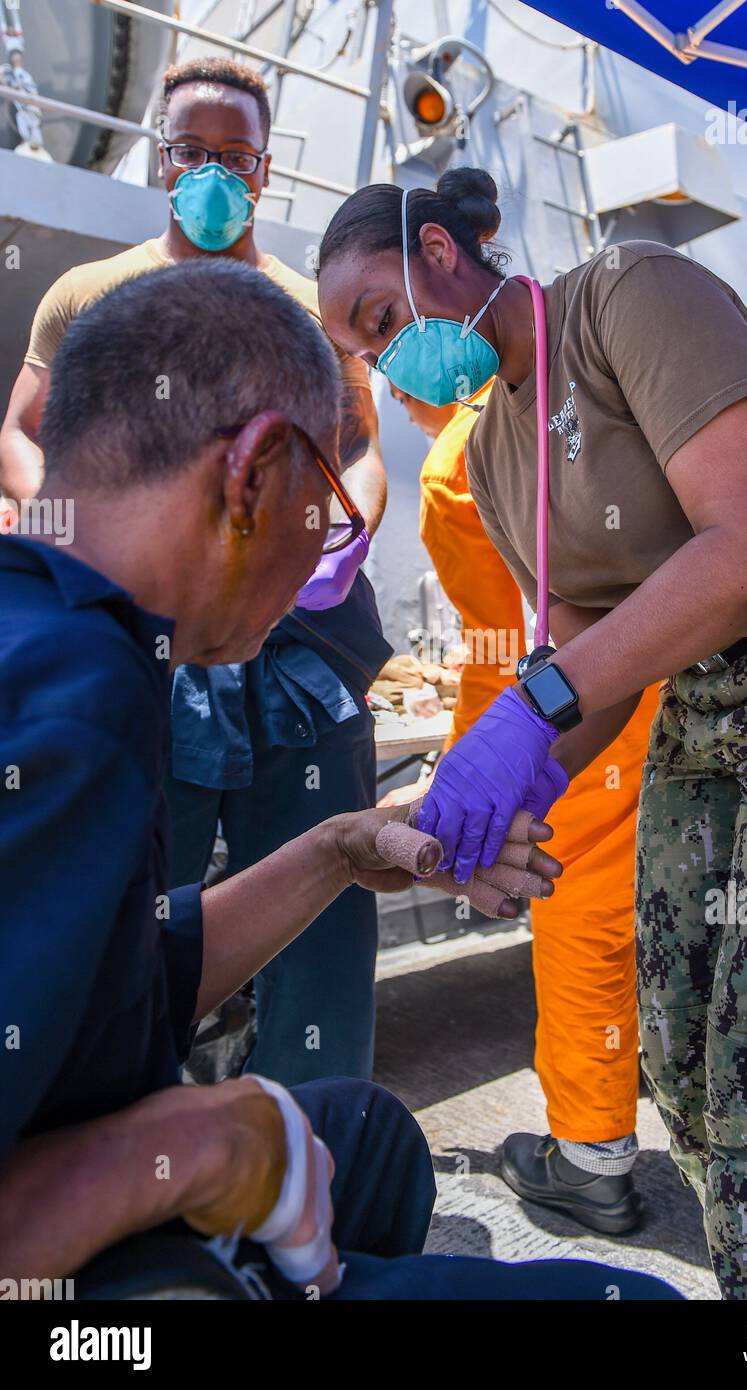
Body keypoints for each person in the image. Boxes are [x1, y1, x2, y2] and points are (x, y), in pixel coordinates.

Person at [0, 260, 683, 1303]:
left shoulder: (67, 634)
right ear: (255, 473)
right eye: (325, 505)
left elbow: (114, 978)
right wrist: (208, 1145)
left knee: (369, 1134)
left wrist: (341, 848)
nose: (329, 547)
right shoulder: (76, 701)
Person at [316, 166, 747, 1301]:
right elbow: (590, 655)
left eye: (382, 320)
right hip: (710, 693)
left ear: (442, 251)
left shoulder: (627, 296)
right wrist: (489, 798)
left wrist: (527, 711)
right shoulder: (496, 445)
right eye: (361, 348)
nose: (382, 358)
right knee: (685, 1031)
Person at [0, 56, 391, 1088]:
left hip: (296, 648)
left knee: (321, 919)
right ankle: (130, 1129)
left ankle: (326, 1141)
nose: (211, 173)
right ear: (157, 156)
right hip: (153, 642)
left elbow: (359, 448)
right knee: (127, 901)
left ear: (264, 170)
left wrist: (345, 535)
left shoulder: (311, 308)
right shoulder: (88, 294)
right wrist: (87, 536)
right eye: (189, 151)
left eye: (234, 155)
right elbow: (23, 433)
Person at [384, 382, 660, 1235]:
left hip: (555, 723)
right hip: (635, 694)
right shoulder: (557, 411)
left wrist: (469, 764)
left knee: (578, 925)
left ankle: (589, 1157)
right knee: (652, 916)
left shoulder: (457, 460)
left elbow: (505, 632)